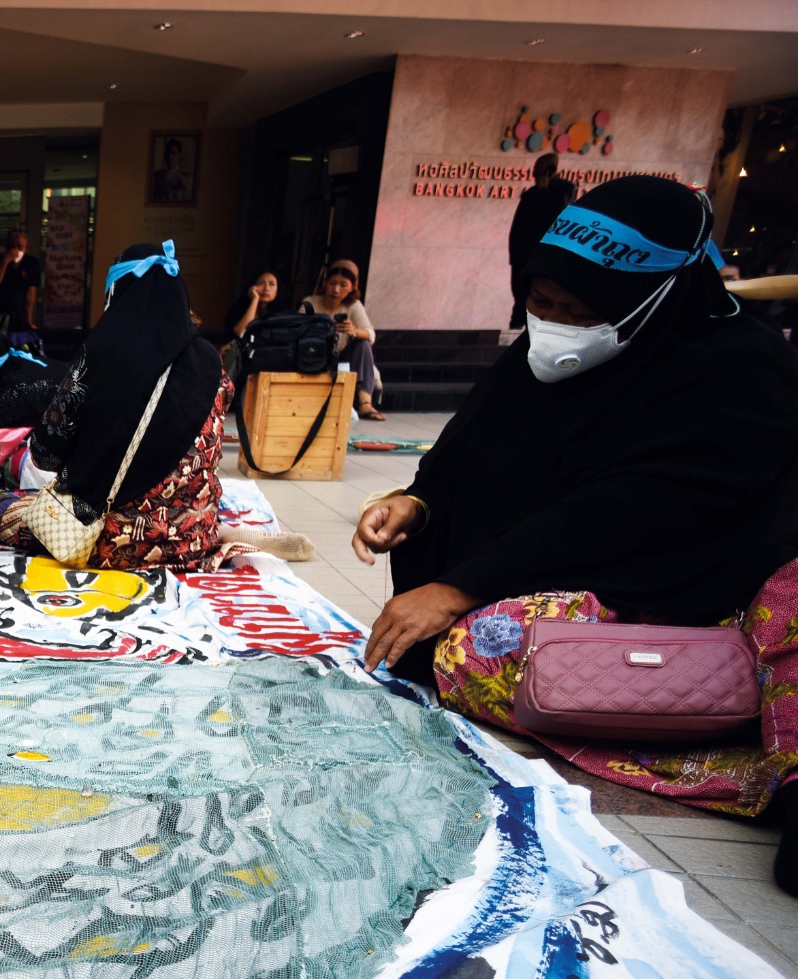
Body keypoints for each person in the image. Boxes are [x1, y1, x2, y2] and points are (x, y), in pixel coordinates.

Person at [351, 176, 798, 869]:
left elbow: (628, 513)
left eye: (577, 310)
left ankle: (751, 754)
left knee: (480, 648)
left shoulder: (740, 371)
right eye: (540, 300)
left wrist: (459, 588)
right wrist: (417, 501)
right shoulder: (541, 356)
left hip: (682, 591)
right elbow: (472, 449)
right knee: (469, 649)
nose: (553, 321)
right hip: (534, 569)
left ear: (651, 301)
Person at [0, 240, 233, 572]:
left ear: (120, 294)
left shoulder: (102, 354)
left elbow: (45, 454)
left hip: (113, 542)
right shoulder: (212, 362)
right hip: (194, 537)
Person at [302, 260, 383, 419]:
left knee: (363, 344)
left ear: (352, 287)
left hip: (342, 359)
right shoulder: (310, 303)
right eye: (332, 283)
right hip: (315, 357)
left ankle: (365, 402)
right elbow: (297, 330)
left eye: (343, 285)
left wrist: (354, 331)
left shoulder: (353, 306)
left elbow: (370, 334)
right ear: (325, 283)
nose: (336, 290)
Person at [507, 153, 577, 329]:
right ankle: (516, 328)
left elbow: (559, 210)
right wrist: (514, 253)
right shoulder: (531, 193)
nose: (534, 175)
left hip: (542, 258)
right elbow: (519, 226)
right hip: (522, 256)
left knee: (536, 299)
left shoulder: (564, 190)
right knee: (520, 295)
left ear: (549, 171)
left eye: (538, 171)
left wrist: (544, 189)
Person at [0, 228, 41, 342]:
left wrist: (29, 321)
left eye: (19, 247)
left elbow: (31, 294)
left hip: (20, 306)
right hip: (0, 302)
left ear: (25, 248)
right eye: (12, 246)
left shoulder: (32, 263)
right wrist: (5, 261)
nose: (15, 250)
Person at [226, 270, 283, 338]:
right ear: (252, 287)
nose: (266, 288)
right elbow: (241, 333)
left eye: (272, 284)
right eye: (261, 283)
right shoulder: (239, 308)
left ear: (277, 290)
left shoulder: (281, 314)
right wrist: (255, 300)